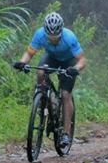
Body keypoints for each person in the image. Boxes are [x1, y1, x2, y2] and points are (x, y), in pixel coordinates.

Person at [13, 12, 86, 148]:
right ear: (46, 32)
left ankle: (65, 133)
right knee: (41, 72)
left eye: (56, 37)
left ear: (61, 32)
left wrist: (75, 68)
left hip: (69, 62)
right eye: (50, 37)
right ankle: (43, 98)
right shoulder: (40, 34)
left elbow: (82, 60)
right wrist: (22, 62)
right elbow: (29, 53)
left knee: (65, 95)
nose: (53, 40)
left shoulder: (69, 37)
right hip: (51, 58)